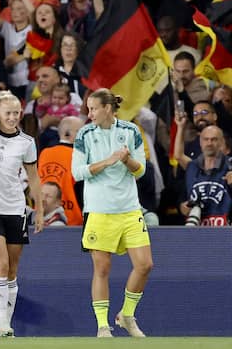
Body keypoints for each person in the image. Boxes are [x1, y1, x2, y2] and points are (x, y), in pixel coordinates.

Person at [72, 89, 152, 338]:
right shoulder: (84, 133)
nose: (89, 113)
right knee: (102, 269)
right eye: (88, 108)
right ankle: (102, 326)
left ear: (107, 108)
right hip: (99, 210)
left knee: (145, 265)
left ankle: (127, 315)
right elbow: (77, 172)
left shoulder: (130, 131)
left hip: (129, 208)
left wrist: (126, 160)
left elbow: (140, 171)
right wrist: (107, 161)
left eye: (93, 108)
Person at [0, 92, 43, 337]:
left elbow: (34, 177)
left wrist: (39, 210)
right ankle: (5, 327)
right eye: (8, 113)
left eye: (17, 113)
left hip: (15, 209)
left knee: (12, 270)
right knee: (1, 265)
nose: (13, 117)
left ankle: (1, 324)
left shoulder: (26, 142)